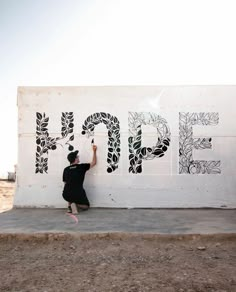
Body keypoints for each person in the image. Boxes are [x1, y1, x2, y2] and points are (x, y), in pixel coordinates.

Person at [62, 144, 97, 213]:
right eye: (77, 157)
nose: (78, 157)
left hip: (66, 194)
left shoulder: (66, 169)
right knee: (86, 206)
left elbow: (65, 183)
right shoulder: (81, 167)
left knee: (69, 189)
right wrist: (94, 151)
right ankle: (75, 205)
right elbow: (94, 162)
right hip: (78, 193)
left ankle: (70, 206)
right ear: (75, 159)